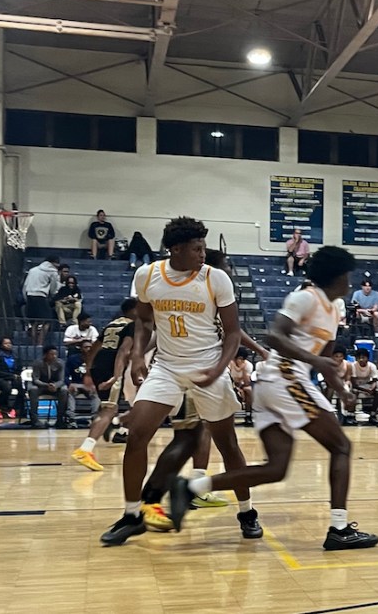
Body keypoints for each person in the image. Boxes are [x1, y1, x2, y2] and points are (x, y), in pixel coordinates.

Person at [169, 244, 378, 551]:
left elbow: (328, 360)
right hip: (284, 378)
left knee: (277, 468)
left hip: (274, 385)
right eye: (347, 276)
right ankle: (339, 528)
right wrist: (315, 361)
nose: (350, 282)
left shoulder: (334, 311)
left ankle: (191, 488)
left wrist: (343, 390)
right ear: (337, 276)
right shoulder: (306, 297)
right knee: (341, 446)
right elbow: (275, 336)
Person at [100, 217, 260, 546]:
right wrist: (137, 356)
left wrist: (219, 368)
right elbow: (143, 322)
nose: (203, 254)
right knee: (137, 436)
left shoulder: (216, 279)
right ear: (175, 249)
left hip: (207, 366)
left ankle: (247, 511)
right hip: (167, 367)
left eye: (203, 247)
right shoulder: (147, 275)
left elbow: (232, 333)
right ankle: (132, 515)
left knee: (228, 444)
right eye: (196, 248)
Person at [71, 297, 138, 471]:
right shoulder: (132, 325)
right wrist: (116, 376)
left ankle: (117, 429)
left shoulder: (112, 324)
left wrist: (88, 371)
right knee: (109, 409)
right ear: (134, 310)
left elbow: (94, 347)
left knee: (109, 407)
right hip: (112, 366)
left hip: (98, 364)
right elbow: (124, 350)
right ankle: (85, 449)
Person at [22, 256, 61, 345]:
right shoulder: (53, 272)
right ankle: (40, 343)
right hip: (41, 296)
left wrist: (26, 298)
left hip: (30, 295)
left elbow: (25, 285)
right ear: (54, 263)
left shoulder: (33, 270)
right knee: (47, 321)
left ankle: (33, 343)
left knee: (34, 322)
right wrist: (53, 293)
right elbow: (53, 289)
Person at [27, 345, 67, 428]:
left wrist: (55, 385)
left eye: (55, 354)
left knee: (64, 390)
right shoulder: (37, 363)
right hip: (41, 386)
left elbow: (61, 380)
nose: (54, 356)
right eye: (51, 354)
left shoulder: (60, 363)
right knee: (33, 389)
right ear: (45, 354)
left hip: (54, 386)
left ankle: (60, 419)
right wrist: (46, 385)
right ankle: (35, 420)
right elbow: (35, 379)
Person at [0, 336, 24, 420]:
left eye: (9, 343)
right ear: (1, 345)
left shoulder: (15, 356)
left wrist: (16, 375)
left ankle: (15, 408)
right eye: (6, 343)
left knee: (21, 388)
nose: (8, 345)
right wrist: (11, 376)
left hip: (13, 378)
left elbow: (19, 368)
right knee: (7, 388)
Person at [347, 348, 378, 423]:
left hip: (367, 385)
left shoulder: (372, 366)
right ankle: (351, 415)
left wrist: (372, 388)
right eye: (359, 358)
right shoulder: (353, 366)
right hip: (357, 387)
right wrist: (366, 390)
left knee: (377, 392)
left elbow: (375, 380)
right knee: (353, 392)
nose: (361, 360)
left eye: (363, 357)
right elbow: (354, 384)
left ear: (367, 358)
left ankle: (373, 414)